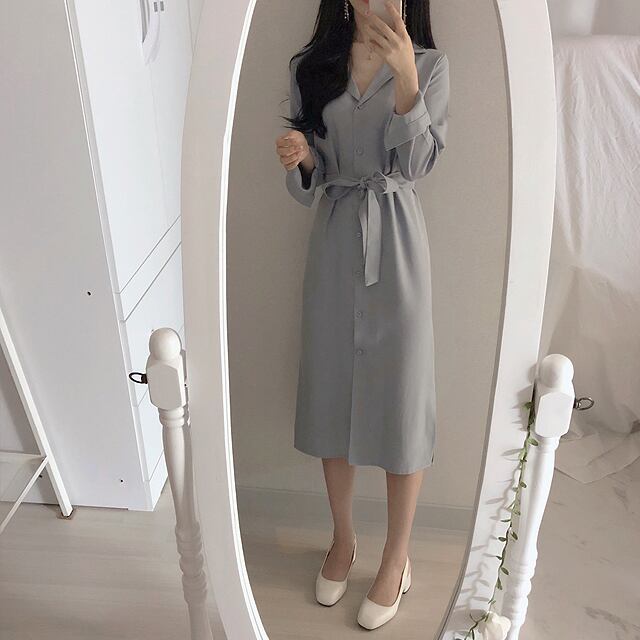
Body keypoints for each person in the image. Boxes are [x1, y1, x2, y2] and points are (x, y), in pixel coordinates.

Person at [274, 0, 449, 629]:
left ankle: (396, 557)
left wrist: (405, 77)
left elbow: (418, 165)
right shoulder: (313, 65)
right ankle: (343, 540)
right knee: (332, 392)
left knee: (402, 398)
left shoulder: (430, 65)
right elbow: (317, 175)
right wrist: (302, 155)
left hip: (396, 241)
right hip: (335, 239)